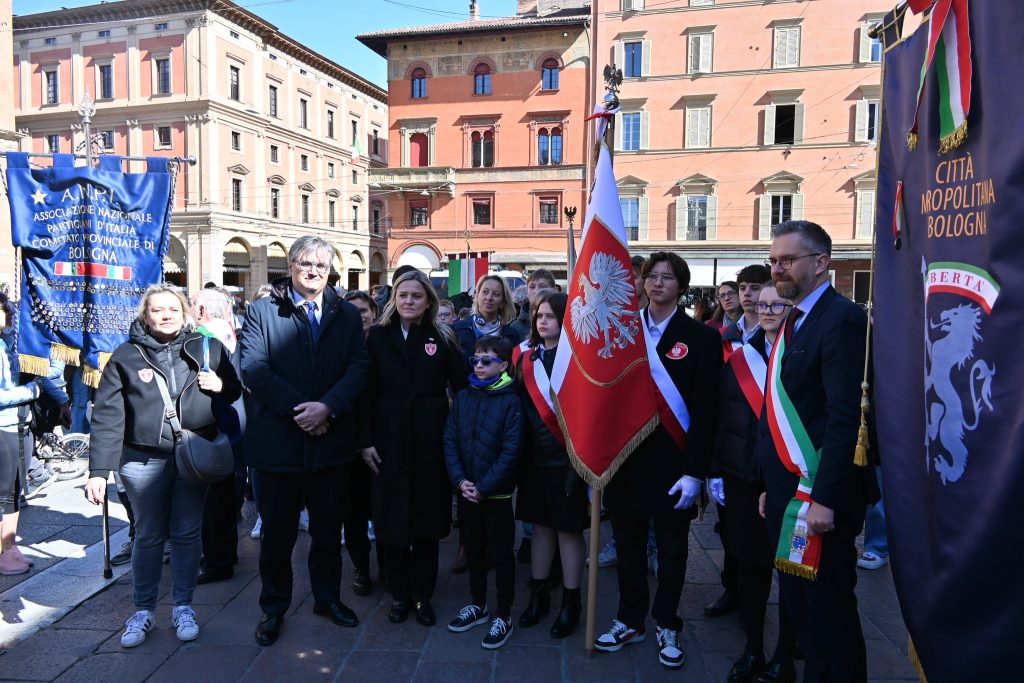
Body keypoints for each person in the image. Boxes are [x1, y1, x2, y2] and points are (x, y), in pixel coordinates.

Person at [84, 284, 241, 647]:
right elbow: (108, 415)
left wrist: (220, 384)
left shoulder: (207, 347)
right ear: (146, 315)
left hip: (194, 455)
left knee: (186, 533)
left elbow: (234, 390)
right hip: (142, 459)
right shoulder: (126, 355)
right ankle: (143, 610)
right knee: (149, 534)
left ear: (185, 313)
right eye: (157, 310)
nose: (166, 315)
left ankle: (183, 606)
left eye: (173, 308)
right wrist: (98, 471)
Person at [757, 220, 877, 682]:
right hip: (789, 493)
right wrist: (771, 485)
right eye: (773, 261)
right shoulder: (796, 317)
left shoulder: (842, 319)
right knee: (800, 609)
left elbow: (845, 418)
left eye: (787, 260)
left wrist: (824, 498)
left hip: (820, 498)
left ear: (821, 262)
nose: (777, 269)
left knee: (829, 615)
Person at [595, 252, 722, 670]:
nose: (657, 283)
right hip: (626, 459)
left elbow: (705, 411)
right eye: (652, 275)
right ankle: (630, 619)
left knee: (671, 551)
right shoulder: (621, 330)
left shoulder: (700, 338)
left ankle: (667, 621)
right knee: (628, 546)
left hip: (674, 462)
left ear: (681, 287)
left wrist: (696, 471)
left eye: (668, 277)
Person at [240, 236, 369, 647]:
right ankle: (273, 607)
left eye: (321, 265)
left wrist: (327, 407)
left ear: (330, 271)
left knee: (328, 533)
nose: (313, 271)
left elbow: (358, 367)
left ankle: (327, 598)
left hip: (331, 443)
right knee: (277, 537)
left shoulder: (346, 314)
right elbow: (254, 369)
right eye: (305, 263)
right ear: (291, 265)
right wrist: (304, 411)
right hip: (278, 444)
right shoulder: (262, 311)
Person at [360, 270, 469, 627]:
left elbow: (462, 384)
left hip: (429, 439)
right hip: (387, 440)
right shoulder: (378, 337)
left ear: (428, 301)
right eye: (403, 295)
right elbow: (365, 392)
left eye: (416, 296)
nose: (409, 301)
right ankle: (399, 595)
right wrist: (365, 441)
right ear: (394, 299)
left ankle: (422, 596)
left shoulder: (442, 335)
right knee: (391, 520)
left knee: (426, 521)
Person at [710, 284, 798, 683]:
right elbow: (721, 417)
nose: (767, 311)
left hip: (790, 480)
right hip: (743, 477)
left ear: (791, 308)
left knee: (792, 570)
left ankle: (785, 652)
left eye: (777, 305)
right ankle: (753, 648)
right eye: (762, 305)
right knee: (749, 564)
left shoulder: (802, 354)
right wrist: (716, 470)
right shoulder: (739, 359)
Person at [444, 335, 524, 649]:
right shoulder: (464, 396)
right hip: (467, 492)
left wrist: (485, 487)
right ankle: (478, 604)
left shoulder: (511, 400)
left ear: (503, 366)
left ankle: (503, 614)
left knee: (501, 555)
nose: (478, 365)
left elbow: (511, 450)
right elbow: (450, 440)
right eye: (475, 360)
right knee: (474, 551)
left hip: (496, 495)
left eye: (486, 360)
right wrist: (459, 480)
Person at [515, 290, 587, 639]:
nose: (542, 321)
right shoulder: (525, 358)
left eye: (550, 316)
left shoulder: (578, 360)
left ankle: (571, 602)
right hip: (533, 460)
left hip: (566, 460)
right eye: (538, 315)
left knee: (567, 531)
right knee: (540, 528)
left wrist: (579, 465)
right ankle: (538, 594)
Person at [191, 287, 244, 585]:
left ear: (200, 311)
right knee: (222, 499)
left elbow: (229, 386)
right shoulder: (226, 331)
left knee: (214, 502)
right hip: (228, 426)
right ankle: (224, 554)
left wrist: (220, 386)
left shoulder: (206, 336)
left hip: (215, 427)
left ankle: (217, 560)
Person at [341, 290, 380, 595]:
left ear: (373, 313)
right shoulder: (337, 348)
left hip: (383, 439)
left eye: (363, 310)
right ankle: (361, 568)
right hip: (348, 442)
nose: (359, 316)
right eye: (351, 311)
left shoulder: (384, 344)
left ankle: (390, 565)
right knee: (353, 513)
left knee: (384, 507)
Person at [0, 294, 40, 576]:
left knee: (14, 492)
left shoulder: (6, 342)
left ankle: (9, 547)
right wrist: (31, 391)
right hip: (2, 426)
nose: (11, 313)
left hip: (14, 424)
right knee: (2, 493)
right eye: (5, 309)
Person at [451, 274, 522, 359]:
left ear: (503, 302)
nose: (489, 298)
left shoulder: (511, 335)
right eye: (485, 292)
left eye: (496, 294)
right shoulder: (457, 329)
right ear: (477, 295)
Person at [721, 265, 771, 360]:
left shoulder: (778, 332)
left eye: (755, 288)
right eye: (742, 288)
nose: (746, 293)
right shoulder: (723, 334)